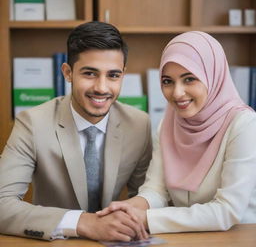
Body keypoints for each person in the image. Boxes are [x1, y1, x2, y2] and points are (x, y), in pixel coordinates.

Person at [0, 21, 152, 241]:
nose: (102, 87)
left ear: (123, 75)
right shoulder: (32, 123)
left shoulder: (139, 124)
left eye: (113, 75)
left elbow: (147, 197)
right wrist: (84, 222)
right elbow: (2, 203)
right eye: (90, 74)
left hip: (115, 241)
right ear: (68, 73)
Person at [98, 31, 256, 234]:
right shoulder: (168, 124)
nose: (177, 93)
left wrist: (146, 218)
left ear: (213, 76)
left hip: (240, 238)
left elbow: (227, 211)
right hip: (188, 238)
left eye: (189, 79)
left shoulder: (243, 125)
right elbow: (156, 190)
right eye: (167, 81)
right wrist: (130, 209)